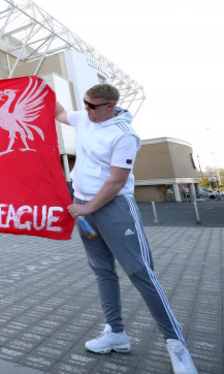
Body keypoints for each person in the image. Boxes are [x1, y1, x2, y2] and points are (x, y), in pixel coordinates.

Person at [55, 83, 197, 374]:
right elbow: (58, 114)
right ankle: (116, 334)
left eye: (92, 106)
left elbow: (117, 181)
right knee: (103, 271)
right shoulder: (85, 118)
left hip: (113, 208)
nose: (86, 110)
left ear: (110, 106)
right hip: (84, 208)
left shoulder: (125, 136)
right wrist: (37, 87)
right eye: (85, 103)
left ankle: (176, 345)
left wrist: (86, 207)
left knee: (140, 272)